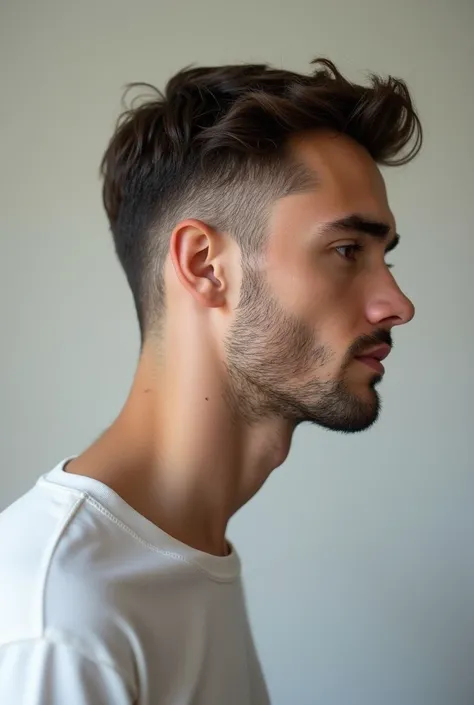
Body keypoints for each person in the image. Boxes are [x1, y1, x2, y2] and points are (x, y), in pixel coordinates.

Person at [0, 58, 422, 704]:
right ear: (205, 266)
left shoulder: (183, 554)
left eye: (384, 256)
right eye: (347, 252)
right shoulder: (62, 620)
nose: (396, 302)